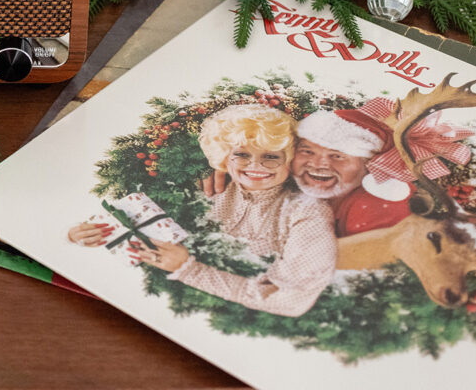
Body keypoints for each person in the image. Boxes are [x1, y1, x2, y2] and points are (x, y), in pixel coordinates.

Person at [70, 104, 337, 317]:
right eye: (242, 154)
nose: (256, 166)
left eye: (271, 156)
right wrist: (78, 235)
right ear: (223, 156)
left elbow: (291, 301)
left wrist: (189, 269)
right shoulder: (202, 187)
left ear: (290, 160)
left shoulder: (307, 212)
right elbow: (132, 220)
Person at [206, 98, 413, 237]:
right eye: (307, 151)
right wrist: (226, 168)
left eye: (337, 156)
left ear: (368, 165)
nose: (318, 164)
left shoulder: (374, 210)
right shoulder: (276, 180)